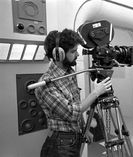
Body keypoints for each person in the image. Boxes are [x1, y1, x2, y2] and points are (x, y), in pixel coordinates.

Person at [35, 29, 112, 157]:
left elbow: (75, 102)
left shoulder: (70, 72)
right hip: (60, 145)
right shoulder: (46, 84)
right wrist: (96, 93)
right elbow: (72, 112)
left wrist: (84, 130)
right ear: (58, 55)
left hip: (73, 139)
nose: (77, 55)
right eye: (73, 51)